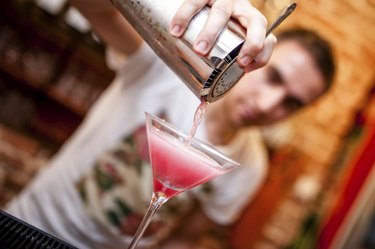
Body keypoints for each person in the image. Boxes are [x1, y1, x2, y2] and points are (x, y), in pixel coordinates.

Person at [4, 0, 335, 248]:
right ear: (254, 53)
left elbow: (184, 239)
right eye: (273, 77)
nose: (267, 105)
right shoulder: (163, 65)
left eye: (292, 103)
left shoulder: (250, 168)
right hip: (27, 226)